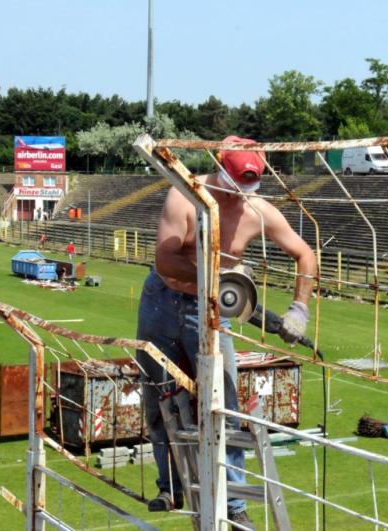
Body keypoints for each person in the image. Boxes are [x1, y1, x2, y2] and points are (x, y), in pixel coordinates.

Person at [136, 135, 316, 527]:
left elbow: (305, 254)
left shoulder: (258, 210)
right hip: (163, 299)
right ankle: (170, 487)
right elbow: (166, 260)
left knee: (224, 404)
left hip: (213, 307)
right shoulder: (184, 196)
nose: (240, 194)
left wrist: (299, 308)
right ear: (219, 168)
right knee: (158, 396)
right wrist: (220, 275)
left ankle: (234, 506)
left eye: (249, 186)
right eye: (236, 185)